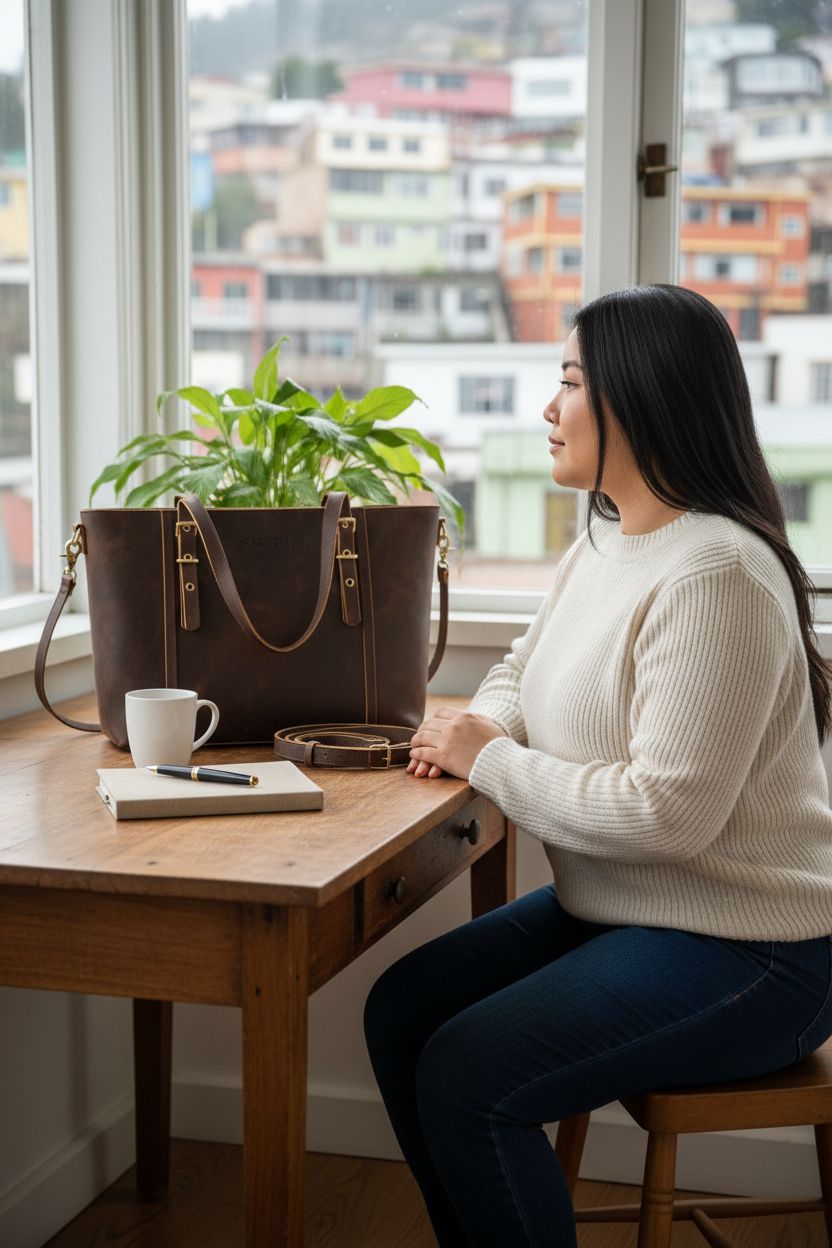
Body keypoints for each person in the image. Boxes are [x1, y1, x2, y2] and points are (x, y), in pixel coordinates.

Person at [362, 284, 832, 1248]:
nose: (548, 408)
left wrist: (487, 761)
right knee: (402, 1010)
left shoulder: (716, 575)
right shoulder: (610, 537)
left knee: (467, 1075)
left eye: (570, 381)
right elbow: (517, 670)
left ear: (641, 395)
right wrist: (478, 729)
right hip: (631, 907)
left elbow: (666, 817)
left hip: (757, 949)